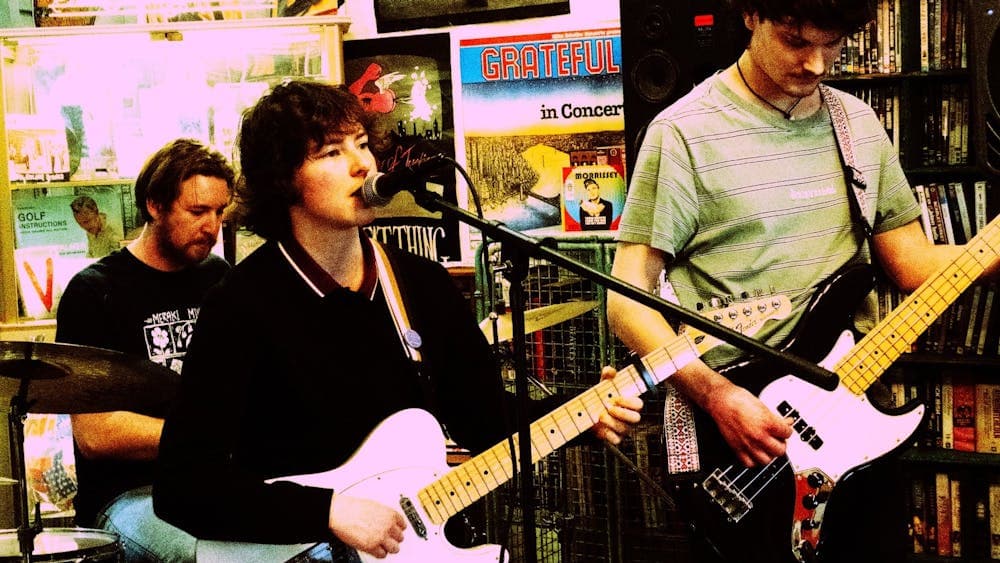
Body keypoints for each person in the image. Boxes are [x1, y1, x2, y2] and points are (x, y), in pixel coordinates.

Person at [153, 79, 642, 561]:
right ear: (283, 178)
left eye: (362, 144)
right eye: (330, 152)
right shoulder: (241, 304)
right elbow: (182, 489)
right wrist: (327, 511)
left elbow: (488, 421)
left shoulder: (421, 286)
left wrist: (582, 413)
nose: (362, 164)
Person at [606, 1, 999, 562]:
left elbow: (913, 266)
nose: (816, 63)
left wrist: (990, 252)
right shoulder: (683, 135)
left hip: (855, 427)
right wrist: (714, 395)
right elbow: (627, 300)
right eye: (795, 40)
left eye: (832, 42)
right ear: (750, 15)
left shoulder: (858, 126)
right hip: (748, 444)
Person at [56, 138, 235, 561]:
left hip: (215, 480)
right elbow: (98, 436)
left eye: (219, 212)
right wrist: (209, 436)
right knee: (199, 555)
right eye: (197, 212)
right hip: (130, 496)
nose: (212, 226)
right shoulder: (94, 291)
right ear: (155, 205)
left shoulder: (219, 277)